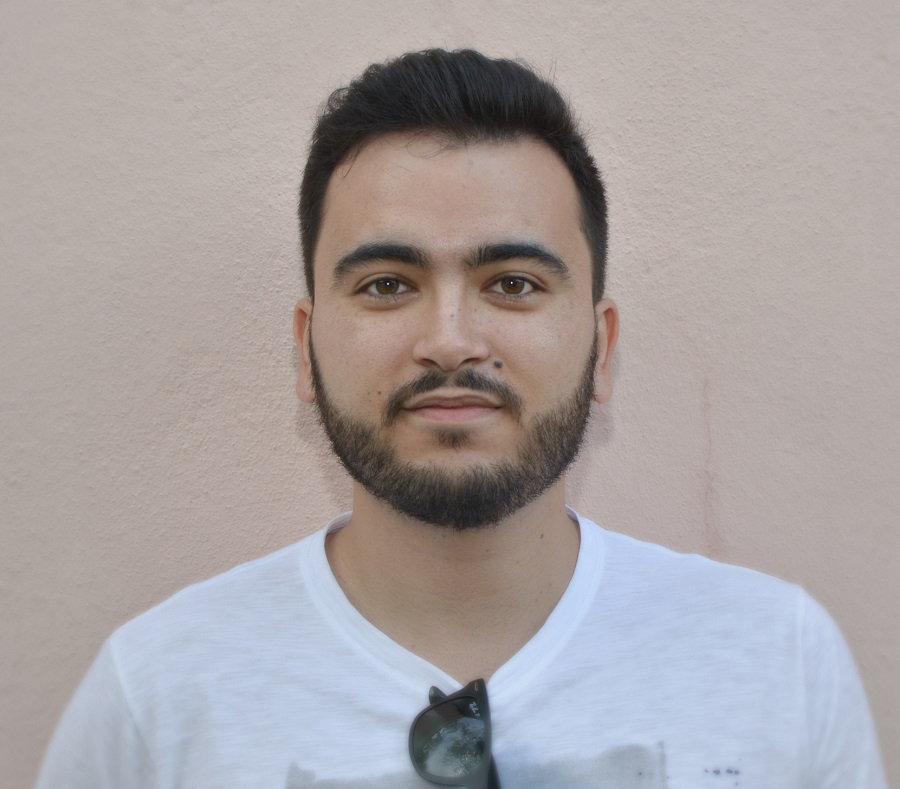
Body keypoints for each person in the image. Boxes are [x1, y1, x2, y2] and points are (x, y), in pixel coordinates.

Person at [36, 48, 886, 789]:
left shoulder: (780, 664)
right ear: (305, 347)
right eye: (387, 284)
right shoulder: (155, 700)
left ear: (601, 346)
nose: (449, 340)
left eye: (513, 283)